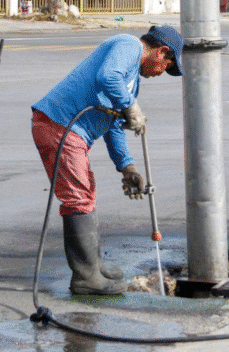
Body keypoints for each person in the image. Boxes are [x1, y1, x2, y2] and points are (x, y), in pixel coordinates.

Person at [31, 25, 184, 295]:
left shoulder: (131, 81)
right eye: (167, 65)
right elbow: (107, 77)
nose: (161, 73)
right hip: (60, 124)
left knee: (86, 193)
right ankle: (85, 277)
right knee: (78, 197)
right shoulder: (128, 45)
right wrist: (131, 106)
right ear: (162, 51)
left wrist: (127, 167)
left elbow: (113, 124)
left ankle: (94, 266)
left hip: (70, 130)